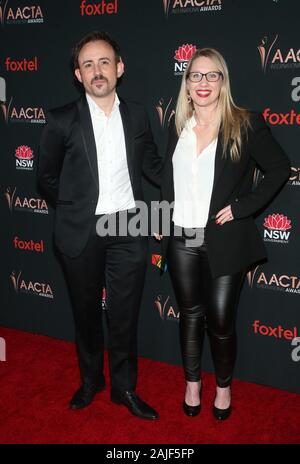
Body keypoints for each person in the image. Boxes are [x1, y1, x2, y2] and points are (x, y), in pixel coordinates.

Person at [158, 48, 290, 420]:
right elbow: (169, 182)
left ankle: (224, 386)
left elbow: (280, 168)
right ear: (186, 84)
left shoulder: (244, 124)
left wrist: (243, 207)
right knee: (189, 314)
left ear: (222, 82)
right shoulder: (176, 126)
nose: (203, 82)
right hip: (182, 236)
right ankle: (193, 383)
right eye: (195, 75)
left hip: (224, 238)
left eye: (211, 75)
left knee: (219, 319)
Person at [37, 31, 162, 420]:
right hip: (81, 230)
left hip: (129, 225)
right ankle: (91, 380)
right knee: (86, 313)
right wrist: (76, 210)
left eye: (104, 62)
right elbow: (46, 178)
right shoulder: (60, 120)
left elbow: (153, 164)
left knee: (124, 315)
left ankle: (124, 388)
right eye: (87, 64)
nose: (97, 71)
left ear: (119, 68)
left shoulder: (138, 114)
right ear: (78, 74)